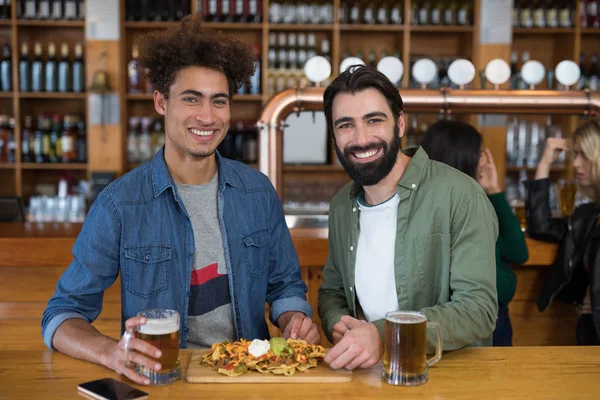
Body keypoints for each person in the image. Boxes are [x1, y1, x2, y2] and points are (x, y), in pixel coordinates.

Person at [41, 16, 319, 385]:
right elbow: (63, 313)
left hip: (248, 378)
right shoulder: (120, 204)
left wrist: (293, 319)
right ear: (161, 102)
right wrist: (109, 351)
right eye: (192, 99)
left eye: (218, 101)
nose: (207, 116)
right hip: (163, 381)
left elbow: (285, 287)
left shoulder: (258, 191)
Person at [318, 65, 499, 370]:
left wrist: (383, 334)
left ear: (400, 123)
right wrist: (338, 322)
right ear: (334, 135)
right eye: (345, 125)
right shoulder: (340, 205)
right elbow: (332, 293)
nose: (361, 139)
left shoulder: (460, 194)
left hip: (446, 379)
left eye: (374, 120)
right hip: (369, 378)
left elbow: (477, 310)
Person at [420, 120, 529, 346]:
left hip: (494, 320)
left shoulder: (479, 201)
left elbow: (518, 252)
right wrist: (507, 278)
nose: (484, 160)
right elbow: (502, 287)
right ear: (463, 157)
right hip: (467, 328)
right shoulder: (445, 209)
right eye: (479, 153)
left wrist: (495, 191)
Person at [528, 117, 600, 345]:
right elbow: (541, 227)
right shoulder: (589, 214)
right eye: (575, 154)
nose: (576, 163)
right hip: (589, 326)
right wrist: (544, 164)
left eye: (584, 155)